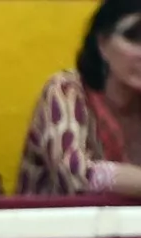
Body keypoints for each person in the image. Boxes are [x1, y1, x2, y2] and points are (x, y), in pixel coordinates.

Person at [19, 0, 141, 197]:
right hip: (52, 225)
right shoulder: (66, 90)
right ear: (102, 44)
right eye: (134, 36)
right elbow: (73, 174)